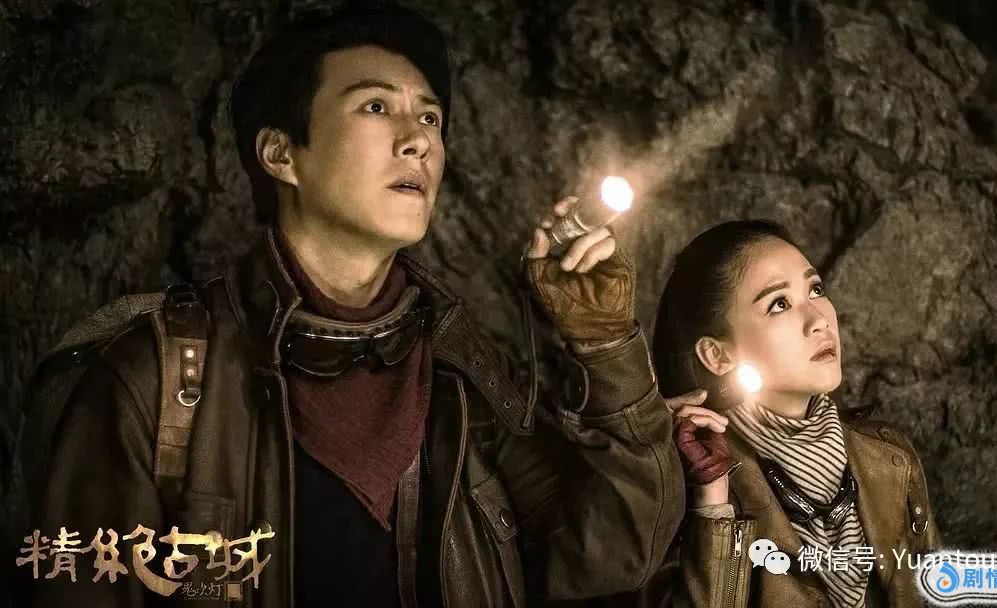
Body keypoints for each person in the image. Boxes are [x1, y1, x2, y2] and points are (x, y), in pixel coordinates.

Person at [15, 6, 682, 607]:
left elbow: (615, 553)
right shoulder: (153, 378)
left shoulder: (461, 371)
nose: (418, 140)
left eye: (430, 118)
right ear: (281, 154)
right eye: (375, 106)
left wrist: (606, 344)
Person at [648, 220, 940, 607]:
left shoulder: (889, 454)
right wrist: (713, 505)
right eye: (779, 303)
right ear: (717, 355)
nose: (819, 319)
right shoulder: (689, 477)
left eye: (815, 289)